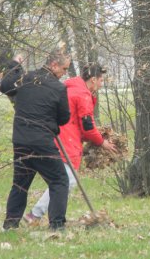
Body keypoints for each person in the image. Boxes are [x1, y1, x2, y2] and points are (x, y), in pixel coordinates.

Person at [23, 62, 117, 223]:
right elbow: (87, 126)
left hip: (55, 137)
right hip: (66, 140)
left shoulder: (70, 89)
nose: (101, 85)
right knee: (66, 181)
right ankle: (36, 215)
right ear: (93, 79)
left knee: (59, 182)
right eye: (101, 81)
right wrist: (102, 142)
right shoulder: (82, 94)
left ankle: (45, 216)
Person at [0, 49, 71, 231]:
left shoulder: (26, 78)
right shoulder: (58, 88)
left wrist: (15, 65)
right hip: (42, 142)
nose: (64, 73)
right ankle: (56, 225)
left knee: (20, 184)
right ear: (54, 64)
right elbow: (64, 118)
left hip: (21, 140)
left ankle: (11, 224)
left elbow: (5, 86)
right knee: (60, 181)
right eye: (64, 68)